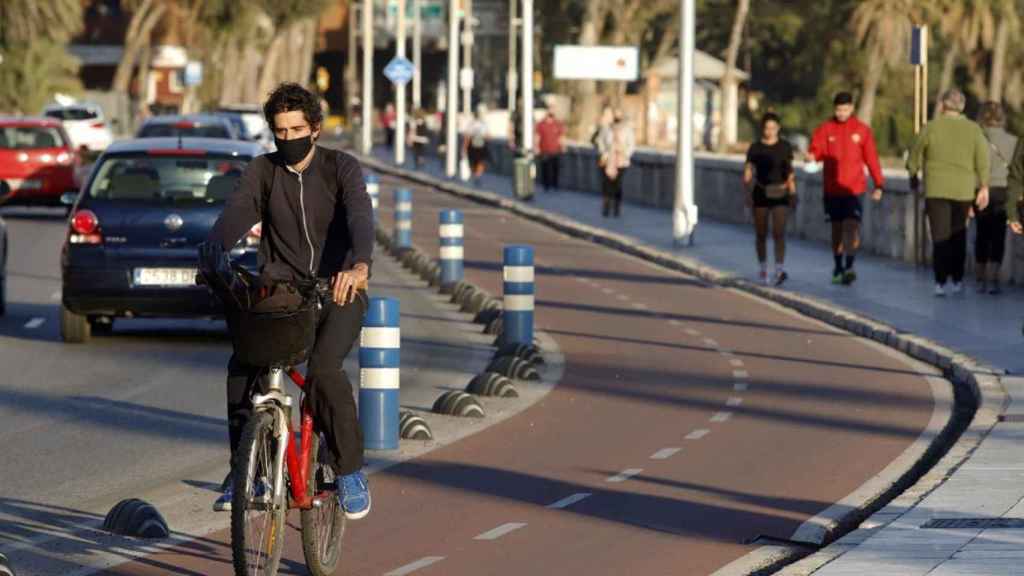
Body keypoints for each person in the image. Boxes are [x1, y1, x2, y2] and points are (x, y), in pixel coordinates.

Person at [199, 83, 375, 519]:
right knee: (244, 365)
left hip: (339, 289)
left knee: (324, 370)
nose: (288, 138)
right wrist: (211, 252)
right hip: (282, 293)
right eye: (280, 131)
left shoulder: (341, 168)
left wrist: (358, 265)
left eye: (297, 128)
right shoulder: (263, 172)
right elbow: (235, 215)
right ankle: (247, 471)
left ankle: (349, 470)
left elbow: (359, 217)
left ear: (315, 129)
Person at [908, 88, 990, 297]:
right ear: (962, 107)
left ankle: (940, 281)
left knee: (939, 236)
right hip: (963, 191)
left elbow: (915, 153)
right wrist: (984, 185)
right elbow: (982, 159)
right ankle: (957, 279)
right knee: (958, 235)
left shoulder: (931, 127)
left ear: (943, 106)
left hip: (936, 189)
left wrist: (913, 173)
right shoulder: (974, 129)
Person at [808, 92, 885, 285]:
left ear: (851, 108)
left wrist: (879, 184)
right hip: (832, 190)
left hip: (854, 190)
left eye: (845, 109)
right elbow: (816, 151)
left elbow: (872, 158)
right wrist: (811, 156)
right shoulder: (825, 129)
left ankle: (850, 266)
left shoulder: (862, 130)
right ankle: (838, 266)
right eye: (838, 110)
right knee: (836, 229)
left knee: (851, 228)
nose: (841, 113)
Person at [743, 112, 796, 286]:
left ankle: (779, 269)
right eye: (767, 128)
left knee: (779, 232)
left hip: (780, 192)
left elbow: (790, 172)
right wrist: (747, 191)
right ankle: (763, 267)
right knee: (761, 233)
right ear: (762, 129)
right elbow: (748, 170)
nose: (770, 131)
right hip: (760, 192)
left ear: (778, 128)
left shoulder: (785, 147)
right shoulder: (755, 148)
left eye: (773, 128)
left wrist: (793, 193)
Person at [974, 101, 1016, 294]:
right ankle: (994, 279)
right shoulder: (1012, 141)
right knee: (998, 235)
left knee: (982, 234)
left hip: (981, 189)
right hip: (1003, 191)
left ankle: (980, 279)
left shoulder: (976, 138)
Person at [597, 108, 636, 217]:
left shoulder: (627, 130)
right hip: (608, 160)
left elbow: (632, 145)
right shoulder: (606, 128)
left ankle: (617, 208)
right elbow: (600, 141)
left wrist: (625, 153)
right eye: (615, 116)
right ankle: (606, 207)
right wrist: (604, 153)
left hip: (621, 161)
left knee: (617, 185)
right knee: (607, 185)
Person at [535, 109, 566, 191]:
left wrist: (563, 146)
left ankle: (555, 185)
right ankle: (546, 185)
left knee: (555, 168)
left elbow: (561, 137)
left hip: (555, 150)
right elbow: (537, 137)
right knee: (545, 168)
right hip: (544, 150)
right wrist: (537, 147)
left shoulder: (558, 124)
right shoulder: (541, 124)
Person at [463, 104, 489, 183]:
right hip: (476, 146)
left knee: (479, 162)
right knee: (476, 162)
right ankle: (476, 176)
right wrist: (464, 148)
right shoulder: (475, 124)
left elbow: (487, 135)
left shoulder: (479, 124)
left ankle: (476, 176)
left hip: (478, 146)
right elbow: (467, 137)